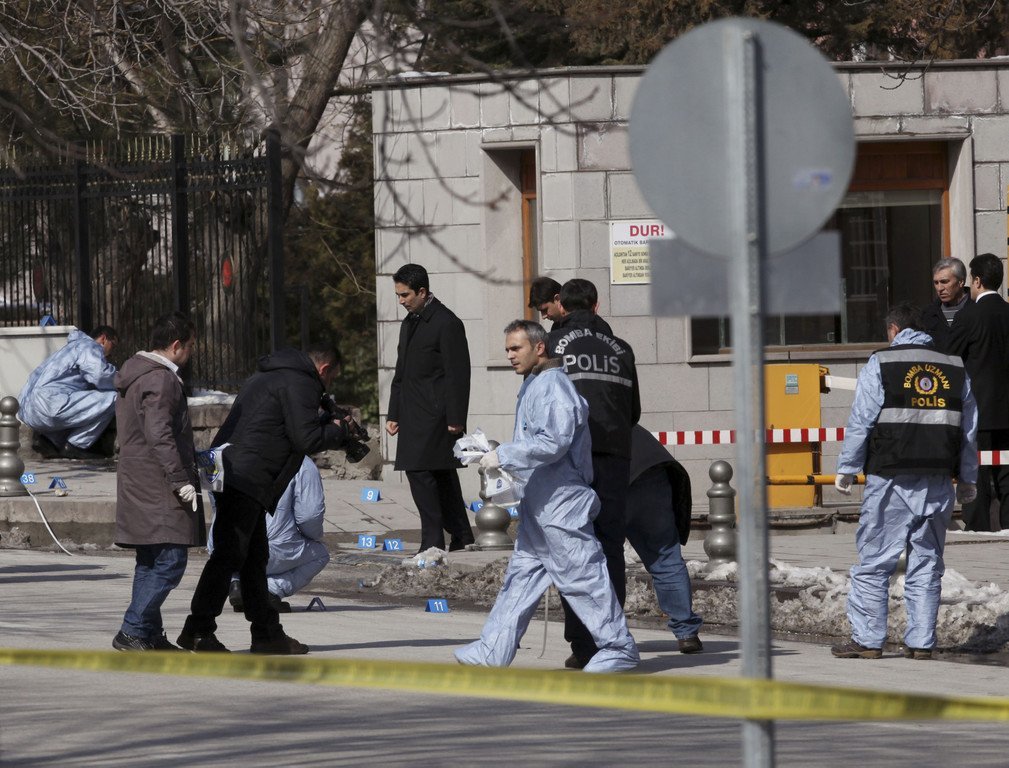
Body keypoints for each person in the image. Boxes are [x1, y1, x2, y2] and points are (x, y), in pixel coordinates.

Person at [455, 320, 639, 672]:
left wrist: (503, 455)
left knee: (583, 576)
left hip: (561, 503)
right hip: (541, 503)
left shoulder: (553, 386)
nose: (510, 356)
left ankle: (619, 646)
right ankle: (493, 648)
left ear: (539, 347)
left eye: (516, 348)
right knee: (521, 580)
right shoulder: (536, 384)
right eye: (507, 349)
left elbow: (554, 442)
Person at [178, 344, 350, 655]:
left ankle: (267, 633)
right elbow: (305, 438)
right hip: (248, 477)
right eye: (331, 378)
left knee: (254, 557)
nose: (328, 385)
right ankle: (198, 629)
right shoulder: (302, 381)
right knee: (229, 555)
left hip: (236, 472)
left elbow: (282, 426)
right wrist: (338, 431)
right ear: (324, 370)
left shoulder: (267, 376)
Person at [831, 302, 978, 660]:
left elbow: (862, 419)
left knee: (875, 560)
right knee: (927, 563)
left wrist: (847, 467)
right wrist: (968, 478)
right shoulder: (954, 367)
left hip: (890, 478)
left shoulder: (881, 363)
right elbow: (969, 429)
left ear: (894, 330)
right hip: (938, 480)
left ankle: (868, 640)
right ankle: (921, 642)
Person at [547, 278, 640, 670]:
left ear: (562, 307)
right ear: (597, 305)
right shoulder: (622, 349)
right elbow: (633, 411)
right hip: (615, 456)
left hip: (570, 458)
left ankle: (583, 644)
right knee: (610, 547)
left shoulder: (552, 345)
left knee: (573, 548)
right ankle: (611, 639)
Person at [112, 312, 204, 651]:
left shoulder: (136, 374)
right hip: (159, 483)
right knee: (170, 561)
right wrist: (180, 479)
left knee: (150, 560)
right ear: (176, 345)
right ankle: (133, 629)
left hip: (140, 479)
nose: (191, 352)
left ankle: (148, 634)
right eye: (190, 345)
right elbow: (159, 433)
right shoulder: (161, 379)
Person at [386, 263, 474, 553]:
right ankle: (462, 535)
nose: (401, 301)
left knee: (420, 472)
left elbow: (458, 374)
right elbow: (401, 371)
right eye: (398, 295)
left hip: (437, 416)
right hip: (412, 413)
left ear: (422, 292)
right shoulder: (409, 323)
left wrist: (456, 418)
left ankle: (432, 542)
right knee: (441, 475)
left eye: (406, 295)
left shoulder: (447, 323)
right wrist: (393, 413)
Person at [626, 425, 703, 653]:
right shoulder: (617, 410)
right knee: (665, 556)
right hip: (653, 472)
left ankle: (599, 639)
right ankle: (687, 633)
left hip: (613, 475)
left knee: (602, 562)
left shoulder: (571, 413)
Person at [946, 253, 1009, 531]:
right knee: (1007, 472)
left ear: (978, 281)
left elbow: (949, 356)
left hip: (979, 410)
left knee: (977, 471)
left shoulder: (968, 316)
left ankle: (978, 527)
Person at [224, 456, 330, 613]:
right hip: (268, 549)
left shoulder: (231, 450)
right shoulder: (302, 463)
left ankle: (237, 583)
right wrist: (313, 537)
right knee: (320, 554)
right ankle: (270, 590)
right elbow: (309, 517)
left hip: (225, 547)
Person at [18, 325, 118, 460]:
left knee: (73, 402)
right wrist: (121, 380)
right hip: (49, 404)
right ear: (103, 339)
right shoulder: (89, 346)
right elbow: (100, 375)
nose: (112, 352)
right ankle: (76, 445)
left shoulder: (67, 350)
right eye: (113, 345)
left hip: (27, 410)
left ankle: (49, 441)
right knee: (114, 398)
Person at [920, 257, 970, 352]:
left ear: (961, 282)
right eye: (936, 283)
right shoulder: (928, 314)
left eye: (944, 282)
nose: (939, 288)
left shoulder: (977, 307)